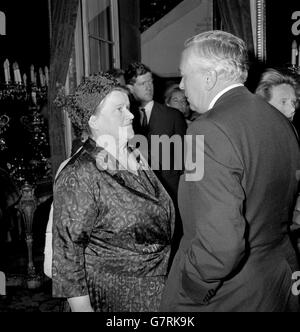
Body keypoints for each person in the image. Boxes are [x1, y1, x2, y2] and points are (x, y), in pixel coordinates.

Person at [160, 30, 300, 312]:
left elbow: (222, 242)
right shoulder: (279, 120)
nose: (183, 86)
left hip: (229, 292)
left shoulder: (207, 129)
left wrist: (192, 287)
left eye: (185, 75)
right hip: (278, 276)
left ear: (209, 78)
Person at [50, 73, 175, 312]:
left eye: (128, 107)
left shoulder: (136, 156)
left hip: (154, 293)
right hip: (112, 298)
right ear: (93, 121)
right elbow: (67, 255)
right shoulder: (80, 173)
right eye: (119, 109)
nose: (130, 115)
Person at [125, 63, 187, 262]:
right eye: (143, 83)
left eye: (150, 82)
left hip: (170, 194)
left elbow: (184, 162)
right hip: (135, 200)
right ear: (130, 88)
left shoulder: (172, 116)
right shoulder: (124, 118)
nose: (149, 87)